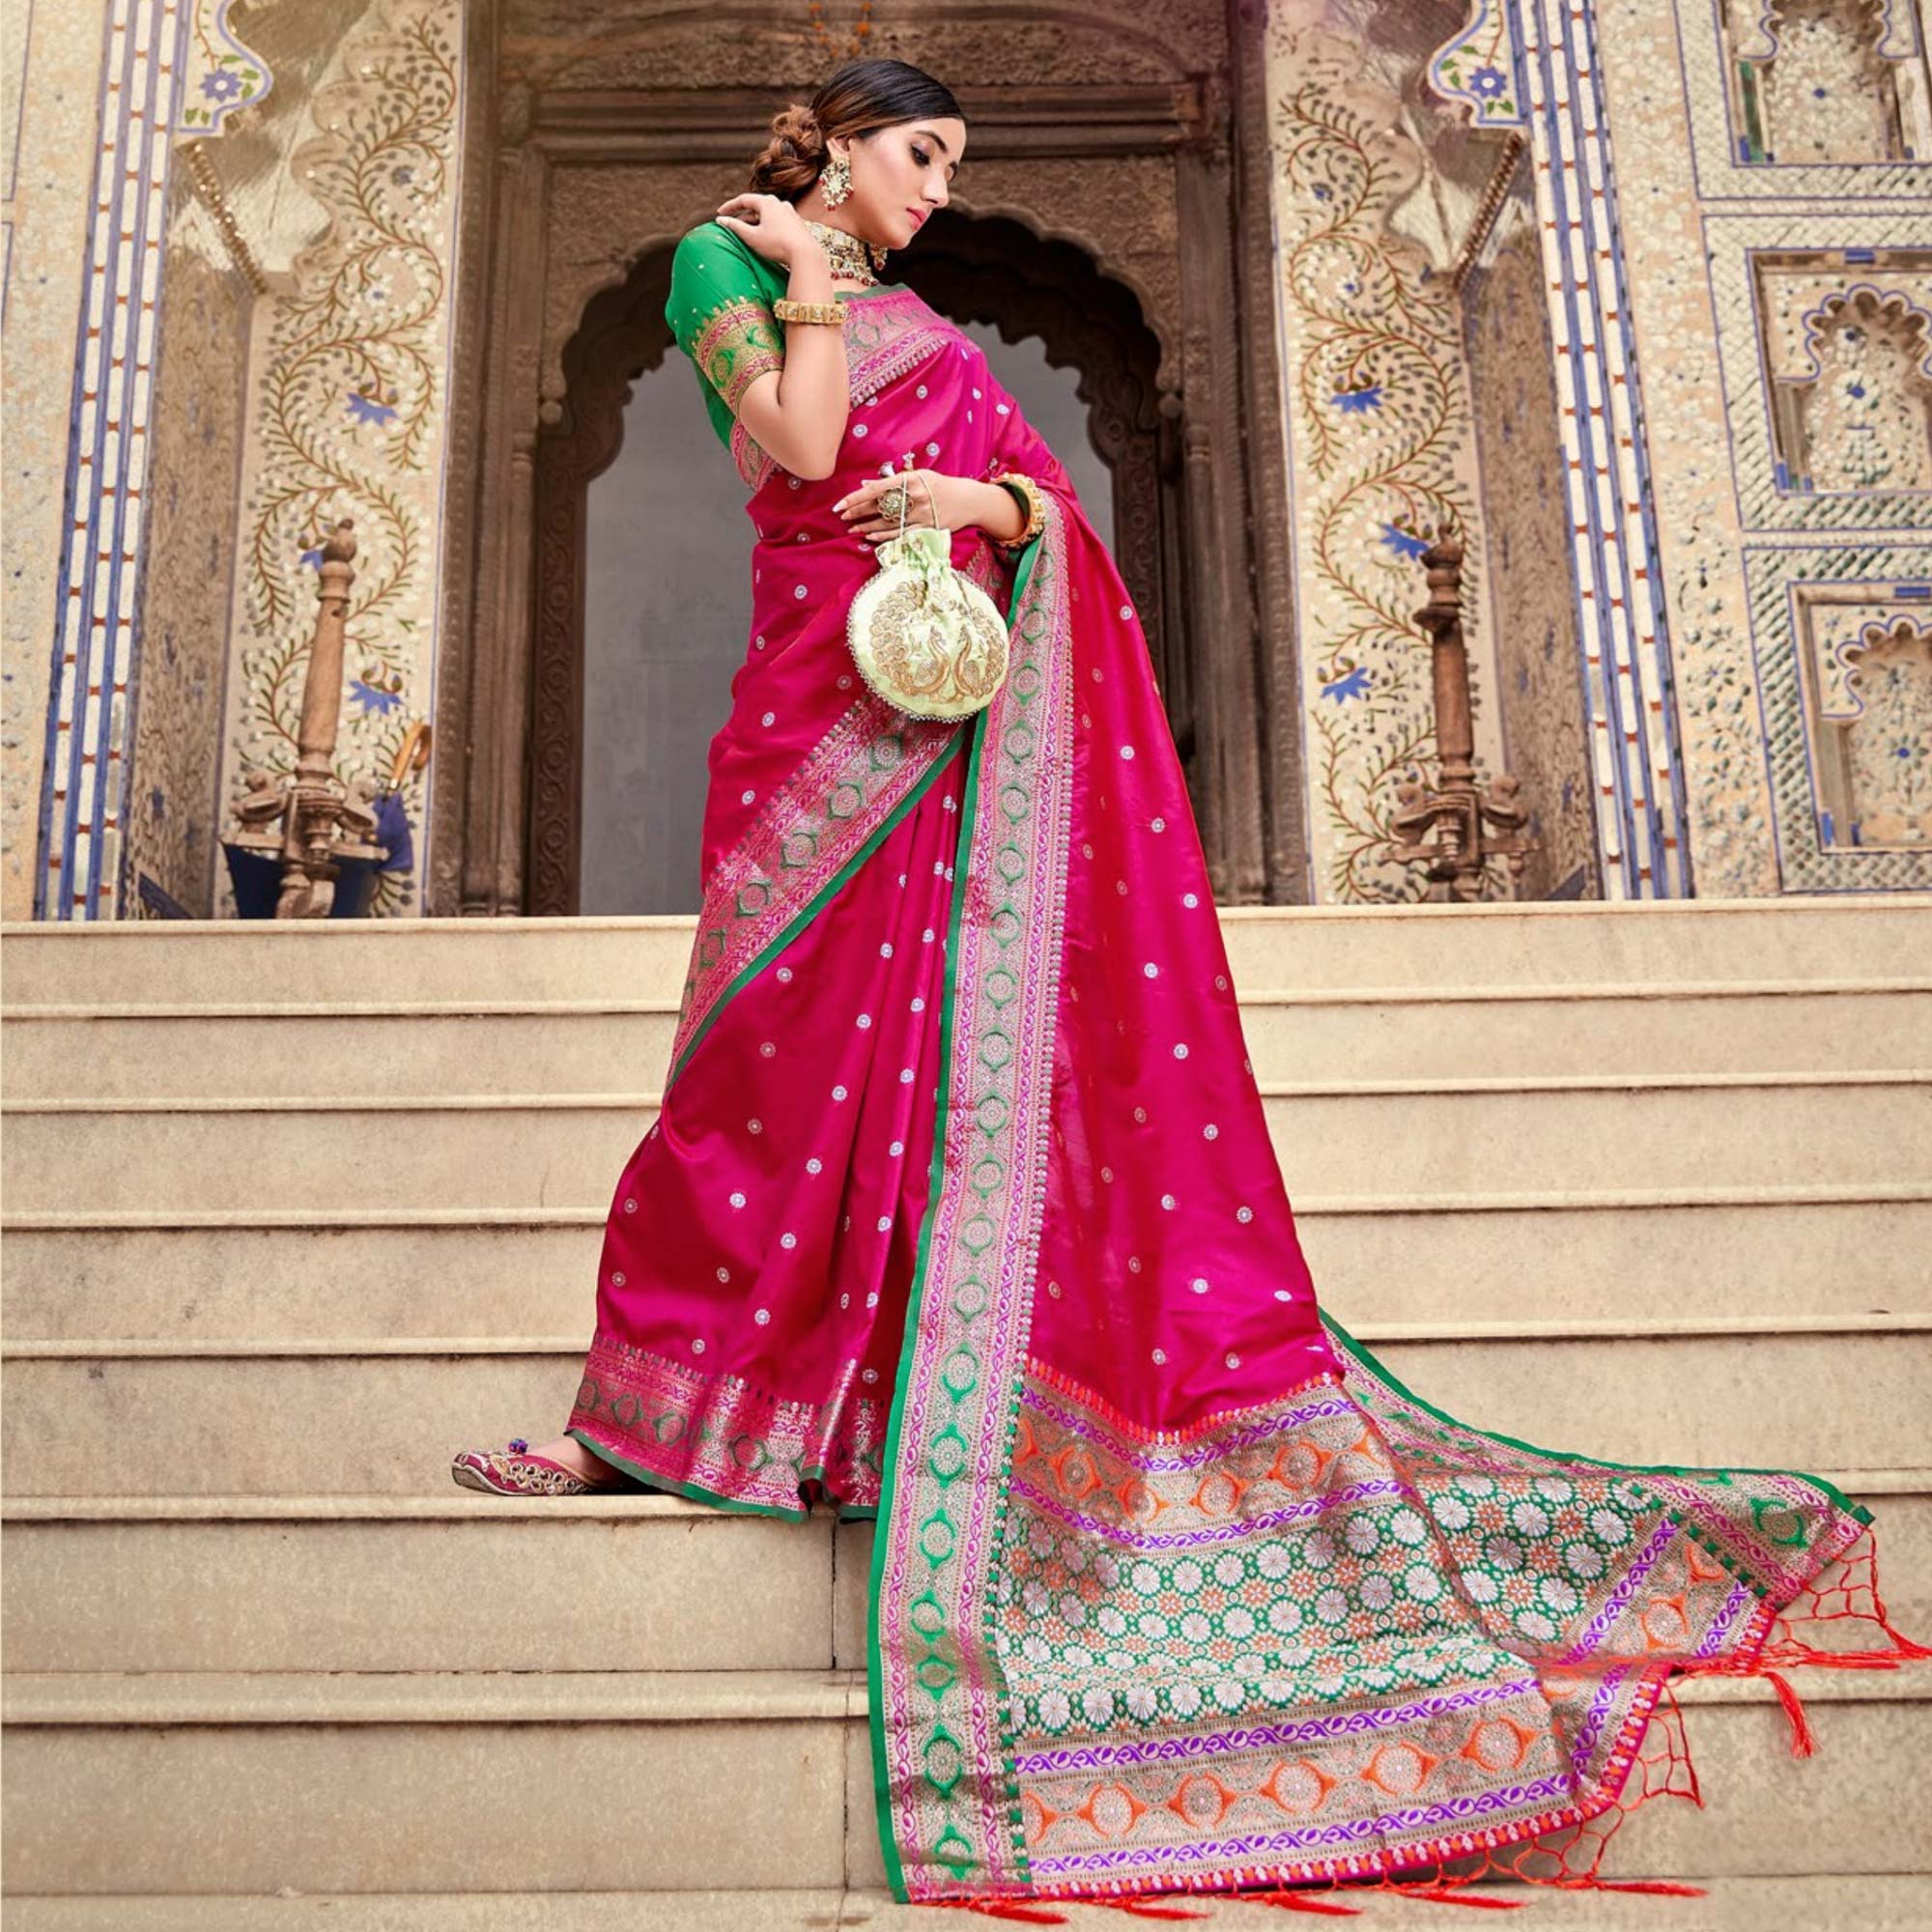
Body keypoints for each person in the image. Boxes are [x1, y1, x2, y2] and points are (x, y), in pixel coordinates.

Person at [452, 56, 1922, 1914]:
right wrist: (815, 295)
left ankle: (857, 1390)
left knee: (911, 1065)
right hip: (820, 705)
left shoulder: (907, 304)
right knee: (765, 1052)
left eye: (956, 164)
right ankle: (654, 1414)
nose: (939, 190)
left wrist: (1002, 509)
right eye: (921, 157)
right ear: (834, 143)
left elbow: (1010, 494)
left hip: (940, 688)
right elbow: (812, 458)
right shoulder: (726, 262)